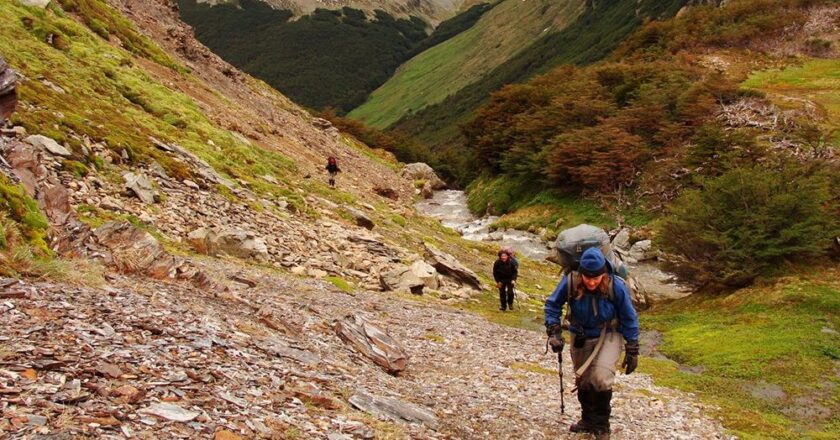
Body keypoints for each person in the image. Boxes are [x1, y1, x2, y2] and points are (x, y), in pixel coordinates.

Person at [544, 247, 639, 440]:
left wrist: (632, 347)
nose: (592, 282)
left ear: (604, 273)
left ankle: (602, 425)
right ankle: (587, 420)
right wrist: (554, 330)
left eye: (596, 278)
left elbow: (629, 317)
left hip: (610, 334)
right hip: (580, 334)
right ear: (582, 274)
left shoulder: (616, 286)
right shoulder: (571, 281)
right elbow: (552, 304)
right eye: (588, 278)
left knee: (601, 377)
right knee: (584, 380)